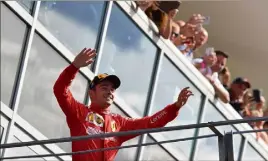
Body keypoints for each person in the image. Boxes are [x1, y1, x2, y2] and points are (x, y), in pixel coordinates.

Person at [53, 48, 193, 161]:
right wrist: (74, 67)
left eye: (112, 89)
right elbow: (60, 90)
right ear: (91, 93)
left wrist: (175, 107)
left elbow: (151, 122)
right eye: (104, 88)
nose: (109, 92)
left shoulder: (120, 123)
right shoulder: (79, 112)